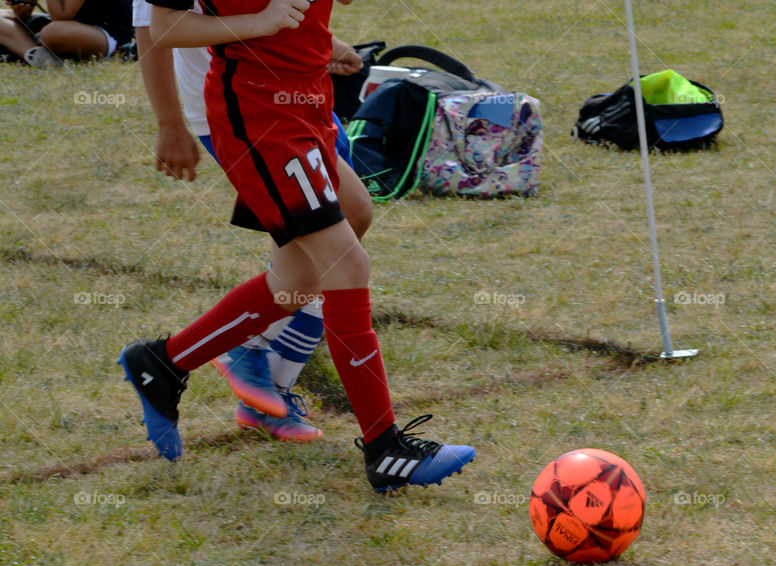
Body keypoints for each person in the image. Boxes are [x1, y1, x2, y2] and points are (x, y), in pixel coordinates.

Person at [119, 0, 475, 492]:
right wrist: (255, 26)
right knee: (347, 266)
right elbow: (162, 26)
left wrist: (323, 43)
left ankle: (165, 362)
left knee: (305, 269)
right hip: (259, 113)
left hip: (307, 98)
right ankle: (385, 448)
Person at [133, 0, 372, 441]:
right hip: (244, 107)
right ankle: (246, 356)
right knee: (326, 252)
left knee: (341, 228)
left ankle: (235, 358)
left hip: (297, 90)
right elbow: (152, 28)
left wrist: (325, 42)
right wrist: (169, 123)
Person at [0, 0, 131, 66]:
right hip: (72, 27)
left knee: (51, 32)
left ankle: (42, 53)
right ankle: (37, 55)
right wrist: (23, 11)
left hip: (108, 35)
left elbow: (61, 16)